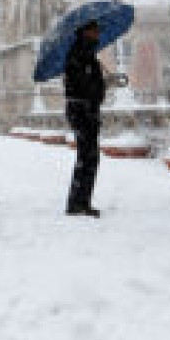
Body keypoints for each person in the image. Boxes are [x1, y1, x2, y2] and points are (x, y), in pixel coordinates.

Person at [63, 20, 108, 218]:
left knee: (88, 157)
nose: (98, 34)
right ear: (86, 32)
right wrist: (97, 87)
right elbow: (82, 85)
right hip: (82, 110)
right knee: (87, 156)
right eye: (95, 31)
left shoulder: (86, 54)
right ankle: (77, 203)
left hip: (85, 109)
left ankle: (81, 201)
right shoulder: (79, 55)